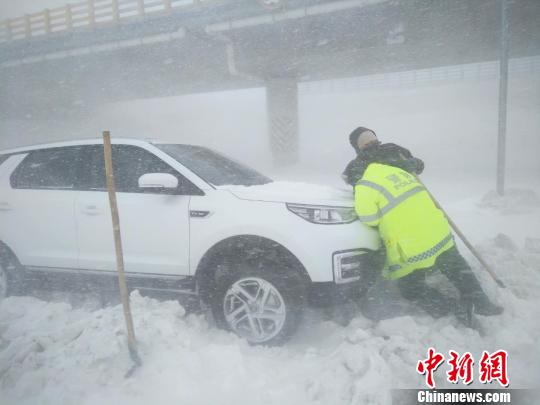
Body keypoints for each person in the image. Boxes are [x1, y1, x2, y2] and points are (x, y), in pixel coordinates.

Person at [344, 126, 503, 325]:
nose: (371, 144)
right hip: (431, 224)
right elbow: (351, 180)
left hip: (409, 238)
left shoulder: (390, 152)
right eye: (365, 143)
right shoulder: (359, 166)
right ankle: (477, 301)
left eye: (372, 139)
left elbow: (416, 166)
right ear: (358, 148)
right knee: (453, 263)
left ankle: (461, 307)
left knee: (412, 284)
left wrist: (413, 164)